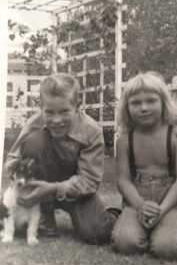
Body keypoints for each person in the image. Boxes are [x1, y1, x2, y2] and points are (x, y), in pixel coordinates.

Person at [4, 73, 119, 244]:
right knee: (36, 139)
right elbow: (13, 161)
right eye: (49, 112)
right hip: (39, 188)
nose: (56, 120)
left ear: (77, 106)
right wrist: (18, 181)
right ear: (41, 107)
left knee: (97, 233)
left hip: (76, 191)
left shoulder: (91, 130)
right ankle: (45, 216)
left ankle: (114, 215)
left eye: (64, 111)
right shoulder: (34, 123)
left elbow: (90, 180)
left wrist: (53, 188)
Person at [111, 72, 177, 259]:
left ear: (163, 103)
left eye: (151, 101)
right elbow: (123, 180)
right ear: (127, 108)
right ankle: (146, 229)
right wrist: (140, 205)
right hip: (137, 203)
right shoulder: (125, 140)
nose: (144, 108)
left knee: (168, 248)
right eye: (136, 103)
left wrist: (162, 210)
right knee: (125, 243)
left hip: (172, 204)